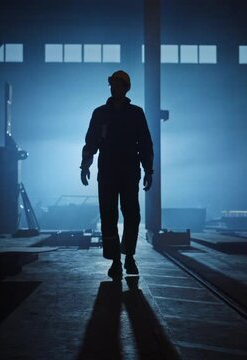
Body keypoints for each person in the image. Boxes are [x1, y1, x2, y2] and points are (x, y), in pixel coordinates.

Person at [80, 70, 154, 280]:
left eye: (118, 84)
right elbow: (91, 141)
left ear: (126, 87)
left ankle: (129, 256)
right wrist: (85, 164)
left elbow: (145, 144)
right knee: (108, 215)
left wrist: (148, 169)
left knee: (132, 214)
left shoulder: (136, 113)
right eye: (112, 84)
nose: (114, 87)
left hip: (129, 171)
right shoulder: (100, 113)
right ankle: (115, 261)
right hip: (108, 171)